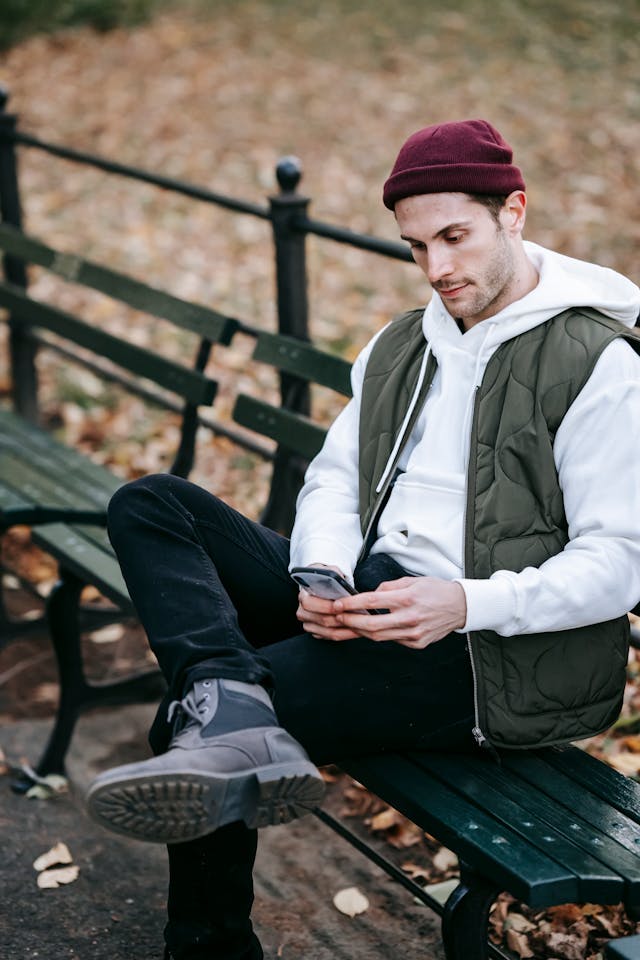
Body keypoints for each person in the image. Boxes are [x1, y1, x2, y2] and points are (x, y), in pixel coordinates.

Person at [86, 119, 640, 960]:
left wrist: (460, 603)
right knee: (153, 503)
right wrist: (322, 575)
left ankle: (209, 940)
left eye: (455, 237)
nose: (438, 268)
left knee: (188, 741)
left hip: (489, 655)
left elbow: (620, 563)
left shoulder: (599, 362)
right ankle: (230, 696)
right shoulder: (401, 344)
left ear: (514, 212)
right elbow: (336, 480)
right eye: (417, 246)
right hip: (376, 597)